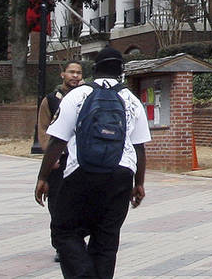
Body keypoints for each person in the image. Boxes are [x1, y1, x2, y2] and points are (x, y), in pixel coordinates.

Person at [35, 47, 150, 278]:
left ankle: (83, 274)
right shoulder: (132, 100)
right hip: (121, 174)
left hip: (82, 172)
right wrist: (139, 184)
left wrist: (43, 177)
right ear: (121, 71)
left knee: (64, 231)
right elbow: (139, 147)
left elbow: (57, 141)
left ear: (94, 69)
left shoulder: (77, 95)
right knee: (107, 237)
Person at [37, 60, 84, 263]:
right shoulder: (50, 100)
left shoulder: (86, 96)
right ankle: (60, 245)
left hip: (81, 161)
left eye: (78, 73)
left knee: (80, 204)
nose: (75, 76)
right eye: (71, 72)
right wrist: (50, 156)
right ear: (62, 74)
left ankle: (77, 242)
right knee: (56, 204)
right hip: (59, 161)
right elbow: (43, 129)